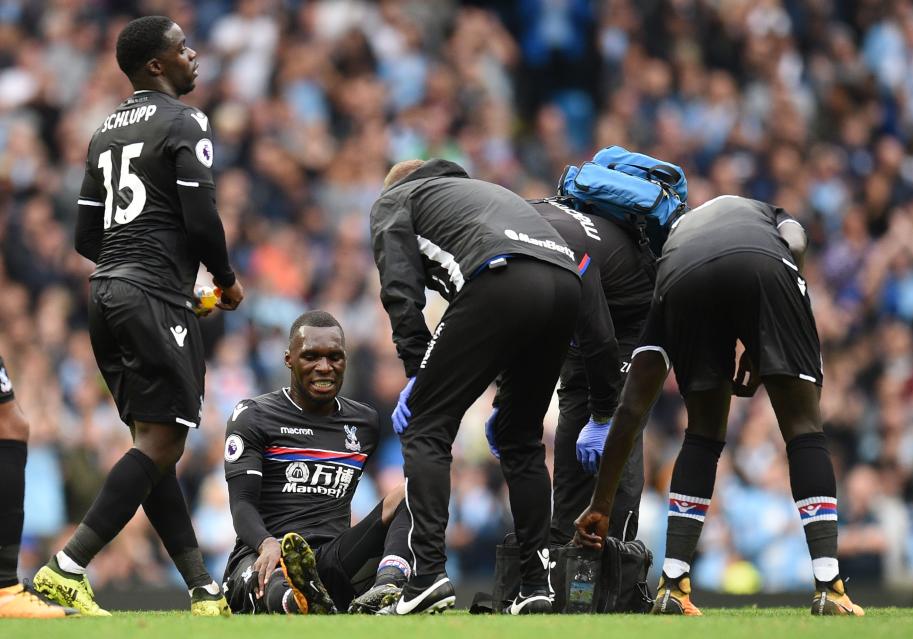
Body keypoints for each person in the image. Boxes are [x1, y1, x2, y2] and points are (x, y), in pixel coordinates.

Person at [34, 16, 243, 616]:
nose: (194, 54)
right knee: (161, 443)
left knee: (154, 446)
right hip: (149, 297)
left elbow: (83, 235)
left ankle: (203, 589)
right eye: (183, 48)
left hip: (105, 293)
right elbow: (203, 222)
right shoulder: (184, 122)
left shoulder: (103, 132)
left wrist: (134, 270)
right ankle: (66, 567)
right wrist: (224, 283)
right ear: (157, 64)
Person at [574, 195, 865, 617]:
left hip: (684, 281)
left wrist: (600, 503)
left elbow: (631, 408)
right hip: (766, 266)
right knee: (803, 429)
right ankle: (829, 588)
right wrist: (764, 335)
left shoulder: (671, 257)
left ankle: (673, 586)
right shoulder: (762, 211)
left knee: (703, 433)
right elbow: (796, 240)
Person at [370, 159, 581, 614]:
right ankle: (535, 586)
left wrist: (416, 371)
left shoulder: (396, 198)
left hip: (500, 274)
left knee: (425, 426)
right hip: (567, 284)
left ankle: (426, 576)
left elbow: (401, 291)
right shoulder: (486, 193)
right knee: (519, 437)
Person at [485, 196, 656, 546]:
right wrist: (505, 402)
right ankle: (564, 556)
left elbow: (602, 340)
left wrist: (604, 417)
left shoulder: (564, 250)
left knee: (619, 429)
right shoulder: (503, 240)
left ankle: (618, 557)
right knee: (570, 435)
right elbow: (513, 329)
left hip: (635, 316)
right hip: (589, 314)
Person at [221, 310, 413, 615]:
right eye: (311, 357)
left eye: (334, 357)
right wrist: (266, 542)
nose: (324, 368)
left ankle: (388, 589)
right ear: (288, 359)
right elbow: (242, 505)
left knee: (409, 493)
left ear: (345, 360)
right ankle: (298, 604)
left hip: (331, 559)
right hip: (268, 555)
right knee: (277, 582)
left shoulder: (364, 422)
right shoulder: (254, 415)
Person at [0, 358, 73, 618]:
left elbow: (60, 430)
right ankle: (5, 590)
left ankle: (6, 589)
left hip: (45, 493)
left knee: (12, 424)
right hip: (35, 490)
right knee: (12, 424)